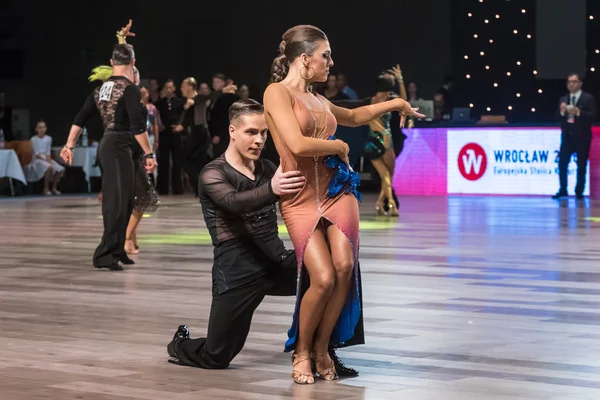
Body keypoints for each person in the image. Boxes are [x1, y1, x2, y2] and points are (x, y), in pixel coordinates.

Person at [264, 25, 424, 384]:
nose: (331, 63)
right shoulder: (276, 93)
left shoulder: (318, 100)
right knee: (320, 278)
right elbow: (297, 144)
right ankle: (302, 351)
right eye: (326, 56)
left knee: (344, 267)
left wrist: (396, 103)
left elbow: (352, 116)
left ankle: (322, 349)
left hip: (338, 191)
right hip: (300, 196)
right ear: (304, 59)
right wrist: (340, 147)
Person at [166, 99, 357, 376]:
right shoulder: (212, 173)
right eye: (251, 132)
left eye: (264, 133)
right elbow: (235, 202)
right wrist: (272, 188)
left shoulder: (268, 168)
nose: (259, 140)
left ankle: (322, 349)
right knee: (216, 356)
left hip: (276, 262)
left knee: (337, 271)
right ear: (232, 131)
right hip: (237, 273)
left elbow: (306, 190)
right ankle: (179, 343)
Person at [61, 42, 156, 271]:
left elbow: (81, 117)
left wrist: (69, 145)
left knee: (124, 200)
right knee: (116, 201)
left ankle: (116, 250)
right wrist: (149, 152)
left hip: (113, 146)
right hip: (118, 146)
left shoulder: (102, 88)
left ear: (112, 63)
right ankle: (104, 254)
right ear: (132, 63)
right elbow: (138, 127)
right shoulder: (131, 89)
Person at [553, 73, 597, 199]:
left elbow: (593, 116)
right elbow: (556, 117)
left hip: (582, 137)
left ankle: (579, 191)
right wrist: (562, 111)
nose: (571, 84)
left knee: (581, 164)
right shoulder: (563, 99)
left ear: (580, 83)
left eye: (573, 82)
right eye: (568, 82)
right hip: (567, 137)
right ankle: (563, 189)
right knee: (562, 163)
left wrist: (578, 112)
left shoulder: (588, 98)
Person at [25, 120, 66, 195]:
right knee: (49, 167)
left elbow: (48, 152)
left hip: (46, 158)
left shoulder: (49, 138)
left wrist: (49, 159)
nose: (42, 129)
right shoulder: (33, 139)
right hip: (37, 159)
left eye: (43, 127)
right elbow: (36, 154)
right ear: (36, 129)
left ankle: (54, 188)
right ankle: (46, 188)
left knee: (60, 168)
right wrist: (47, 161)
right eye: (40, 127)